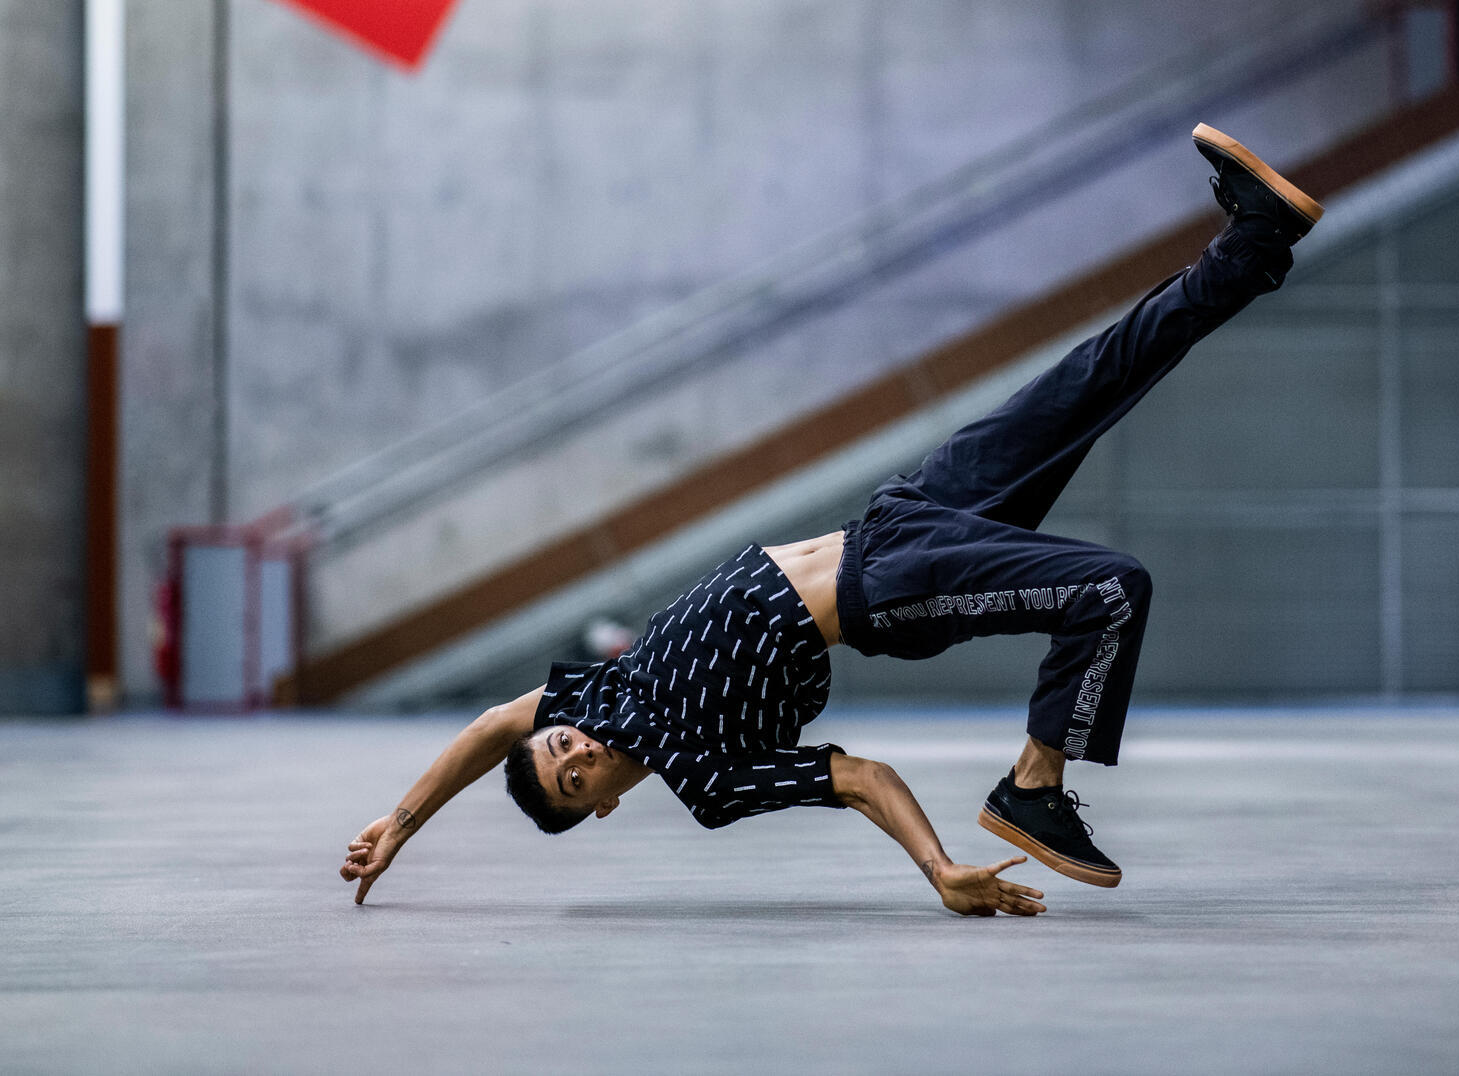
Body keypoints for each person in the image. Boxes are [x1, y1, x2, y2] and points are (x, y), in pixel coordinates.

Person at [340, 123, 1322, 916]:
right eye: (573, 778)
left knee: (1093, 373)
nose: (576, 749)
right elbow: (861, 777)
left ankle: (1252, 242)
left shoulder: (602, 691)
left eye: (560, 747)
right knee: (1111, 591)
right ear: (598, 808)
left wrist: (399, 819)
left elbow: (485, 726)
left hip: (897, 517)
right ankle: (1034, 789)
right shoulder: (711, 777)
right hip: (889, 594)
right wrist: (938, 868)